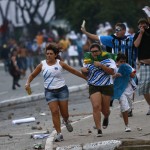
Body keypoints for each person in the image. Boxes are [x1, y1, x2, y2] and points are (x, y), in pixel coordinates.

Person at [25, 42, 86, 142]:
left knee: (65, 113)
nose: (48, 55)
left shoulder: (60, 64)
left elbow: (74, 71)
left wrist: (86, 78)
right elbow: (32, 75)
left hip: (62, 90)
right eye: (47, 53)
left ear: (55, 55)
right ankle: (59, 133)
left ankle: (66, 120)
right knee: (54, 112)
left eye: (51, 54)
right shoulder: (42, 64)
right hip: (49, 92)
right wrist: (27, 83)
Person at [81, 43, 116, 137]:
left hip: (106, 85)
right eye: (92, 52)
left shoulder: (108, 59)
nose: (94, 53)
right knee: (96, 106)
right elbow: (86, 75)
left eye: (96, 51)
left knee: (105, 110)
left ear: (100, 51)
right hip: (93, 85)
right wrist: (83, 71)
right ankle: (99, 129)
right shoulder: (87, 60)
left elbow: (112, 72)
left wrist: (101, 66)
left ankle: (106, 116)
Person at [112, 53, 137, 132]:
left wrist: (128, 71)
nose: (122, 63)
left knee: (128, 107)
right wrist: (115, 75)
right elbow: (109, 77)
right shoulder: (114, 68)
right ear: (117, 62)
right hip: (119, 90)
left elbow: (133, 76)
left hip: (128, 90)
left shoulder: (128, 66)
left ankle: (127, 110)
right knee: (124, 105)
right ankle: (127, 126)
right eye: (121, 62)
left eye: (124, 61)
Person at [133, 17, 150, 115]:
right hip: (144, 65)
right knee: (143, 88)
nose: (142, 26)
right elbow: (136, 45)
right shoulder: (137, 35)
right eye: (140, 24)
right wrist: (141, 33)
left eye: (144, 24)